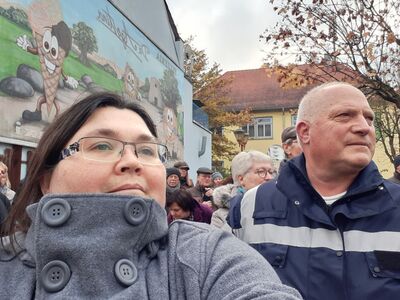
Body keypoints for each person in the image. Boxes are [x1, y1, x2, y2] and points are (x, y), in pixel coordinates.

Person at [0, 92, 301, 299]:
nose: (132, 161)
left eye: (146, 150)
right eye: (102, 146)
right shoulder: (8, 263)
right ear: (46, 181)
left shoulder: (207, 256)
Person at [234, 82, 400, 299]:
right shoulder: (251, 205)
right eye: (344, 115)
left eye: (369, 118)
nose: (364, 127)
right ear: (305, 132)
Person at [227, 151, 275, 230]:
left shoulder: (280, 206)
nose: (269, 177)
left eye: (271, 172)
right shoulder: (222, 214)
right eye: (261, 171)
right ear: (241, 179)